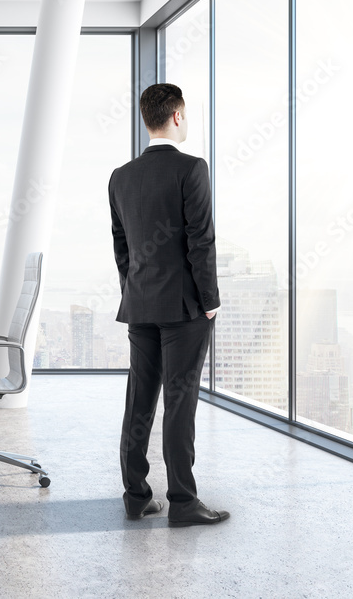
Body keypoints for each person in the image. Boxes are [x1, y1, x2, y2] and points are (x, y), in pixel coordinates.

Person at [107, 83, 229, 527]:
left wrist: (133, 291)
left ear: (147, 119)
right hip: (184, 309)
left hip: (139, 305)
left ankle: (136, 496)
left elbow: (122, 249)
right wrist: (210, 300)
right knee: (180, 401)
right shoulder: (192, 168)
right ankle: (182, 501)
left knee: (140, 399)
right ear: (177, 116)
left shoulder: (120, 177)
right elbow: (201, 241)